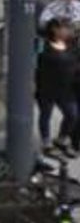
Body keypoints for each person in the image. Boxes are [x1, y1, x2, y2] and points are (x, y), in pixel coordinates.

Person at [37, 19, 78, 157]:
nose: (69, 30)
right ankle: (46, 143)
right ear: (55, 29)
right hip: (47, 87)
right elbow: (37, 63)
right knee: (45, 114)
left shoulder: (72, 44)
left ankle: (62, 138)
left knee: (72, 114)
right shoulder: (43, 45)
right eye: (65, 28)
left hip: (67, 88)